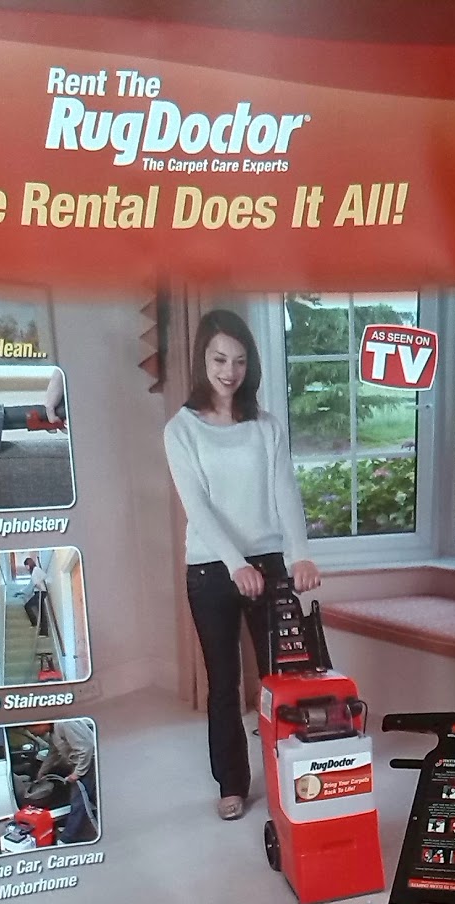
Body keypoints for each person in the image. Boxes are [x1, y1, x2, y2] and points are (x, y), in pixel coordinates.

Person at [163, 308, 320, 821]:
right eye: (218, 359)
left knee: (283, 678)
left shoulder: (265, 426)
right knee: (224, 683)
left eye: (238, 360)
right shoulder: (181, 430)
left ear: (249, 365)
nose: (229, 371)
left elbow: (285, 492)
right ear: (202, 361)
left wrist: (299, 554)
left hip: (268, 561)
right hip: (211, 568)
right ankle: (231, 782)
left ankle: (291, 774)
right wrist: (235, 564)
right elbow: (198, 506)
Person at [32, 718, 98, 843]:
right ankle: (81, 828)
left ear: (41, 722)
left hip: (89, 763)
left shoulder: (64, 724)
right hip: (80, 764)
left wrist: (77, 773)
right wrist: (42, 772)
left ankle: (68, 838)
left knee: (79, 801)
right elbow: (53, 753)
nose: (35, 735)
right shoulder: (53, 733)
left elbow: (86, 748)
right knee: (91, 798)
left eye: (33, 730)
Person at [22, 555, 49, 630]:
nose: (26, 567)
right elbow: (32, 583)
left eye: (26, 565)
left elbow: (44, 576)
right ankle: (42, 628)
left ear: (29, 564)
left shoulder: (36, 569)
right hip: (39, 592)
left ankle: (35, 623)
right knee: (41, 610)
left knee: (28, 606)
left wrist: (38, 583)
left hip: (41, 592)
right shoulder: (34, 571)